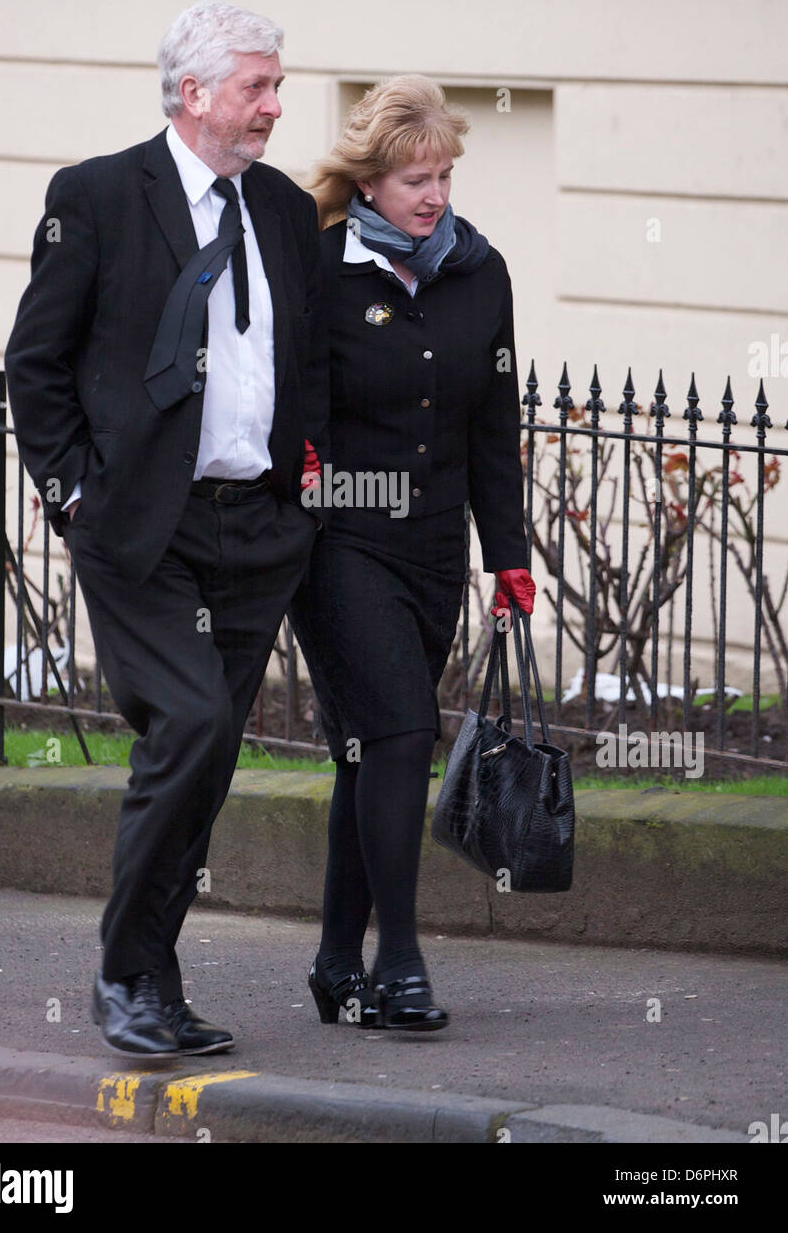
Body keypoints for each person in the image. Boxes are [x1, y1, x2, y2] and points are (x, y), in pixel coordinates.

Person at [4, 0, 328, 1057]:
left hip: (258, 528)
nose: (275, 107)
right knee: (187, 725)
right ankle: (122, 973)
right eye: (256, 86)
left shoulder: (279, 209)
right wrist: (71, 493)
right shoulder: (96, 195)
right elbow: (38, 364)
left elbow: (303, 357)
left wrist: (298, 479)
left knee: (208, 759)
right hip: (142, 527)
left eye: (276, 85)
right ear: (193, 94)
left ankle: (156, 976)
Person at [290, 75, 535, 1032]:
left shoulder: (483, 272)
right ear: (369, 182)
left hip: (435, 548)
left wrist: (507, 557)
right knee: (397, 733)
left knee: (368, 756)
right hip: (342, 540)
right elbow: (292, 400)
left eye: (440, 176)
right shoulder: (320, 265)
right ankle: (398, 965)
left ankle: (332, 962)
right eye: (411, 180)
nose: (431, 196)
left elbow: (492, 428)